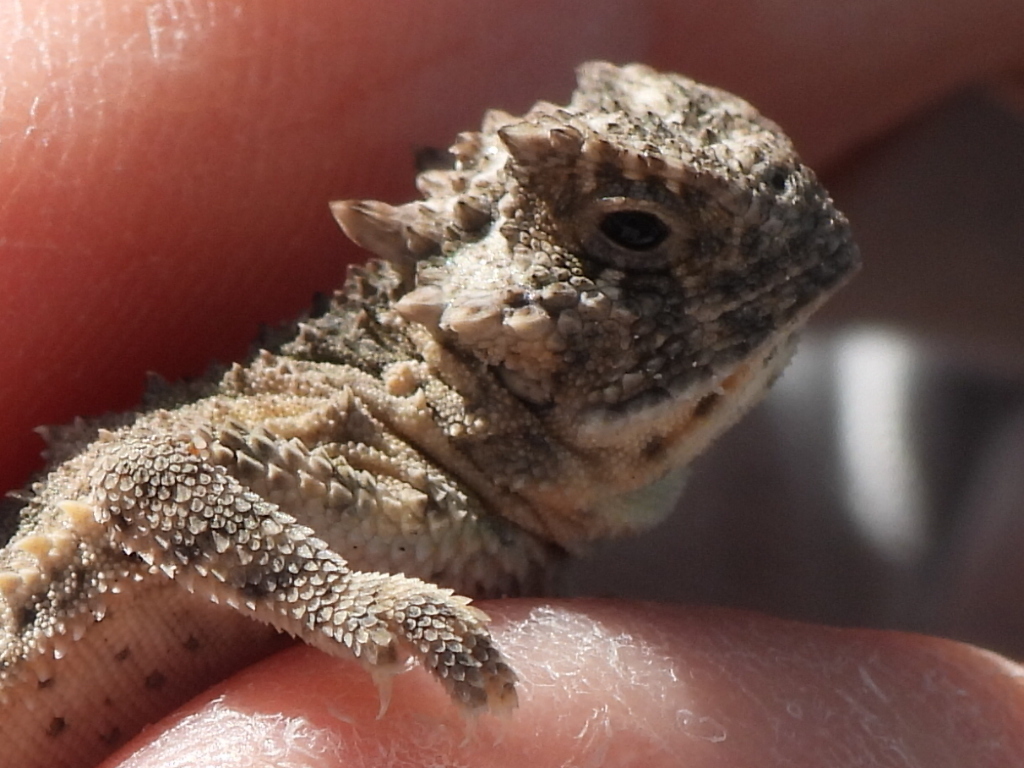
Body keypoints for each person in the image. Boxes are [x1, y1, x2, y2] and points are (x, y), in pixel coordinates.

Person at [1, 2, 1023, 765]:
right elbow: (142, 480)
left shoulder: (497, 521)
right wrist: (331, 595)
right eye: (634, 236)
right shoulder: (368, 447)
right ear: (482, 283)